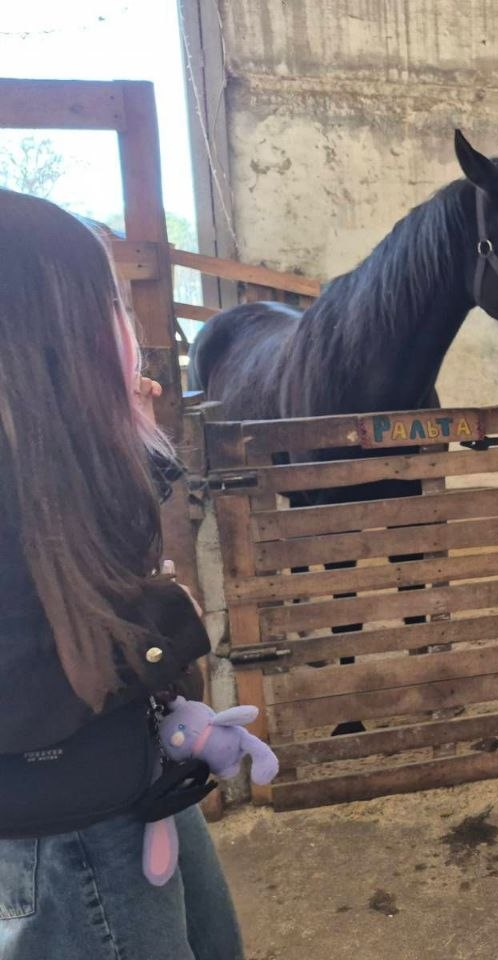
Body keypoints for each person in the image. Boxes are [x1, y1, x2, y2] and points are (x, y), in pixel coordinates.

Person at [0, 189, 244, 960]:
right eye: (106, 303)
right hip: (71, 821)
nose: (126, 329)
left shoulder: (45, 454)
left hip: (126, 781)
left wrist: (122, 443)